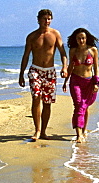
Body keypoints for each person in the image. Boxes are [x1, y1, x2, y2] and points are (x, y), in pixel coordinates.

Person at [19, 9, 68, 141]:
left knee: (47, 102)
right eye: (44, 18)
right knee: (36, 97)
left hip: (50, 72)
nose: (47, 21)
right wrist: (21, 74)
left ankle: (44, 131)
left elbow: (63, 53)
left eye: (49, 18)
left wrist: (64, 67)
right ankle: (37, 130)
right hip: (35, 70)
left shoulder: (55, 34)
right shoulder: (32, 36)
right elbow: (26, 56)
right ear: (38, 19)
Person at [62, 27, 99, 144]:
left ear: (86, 38)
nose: (81, 41)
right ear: (76, 39)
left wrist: (96, 82)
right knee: (79, 105)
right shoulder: (73, 51)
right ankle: (78, 134)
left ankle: (83, 130)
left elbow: (96, 67)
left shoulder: (93, 50)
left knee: (85, 106)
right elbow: (70, 67)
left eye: (83, 38)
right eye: (79, 38)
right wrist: (65, 81)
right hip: (75, 80)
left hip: (89, 82)